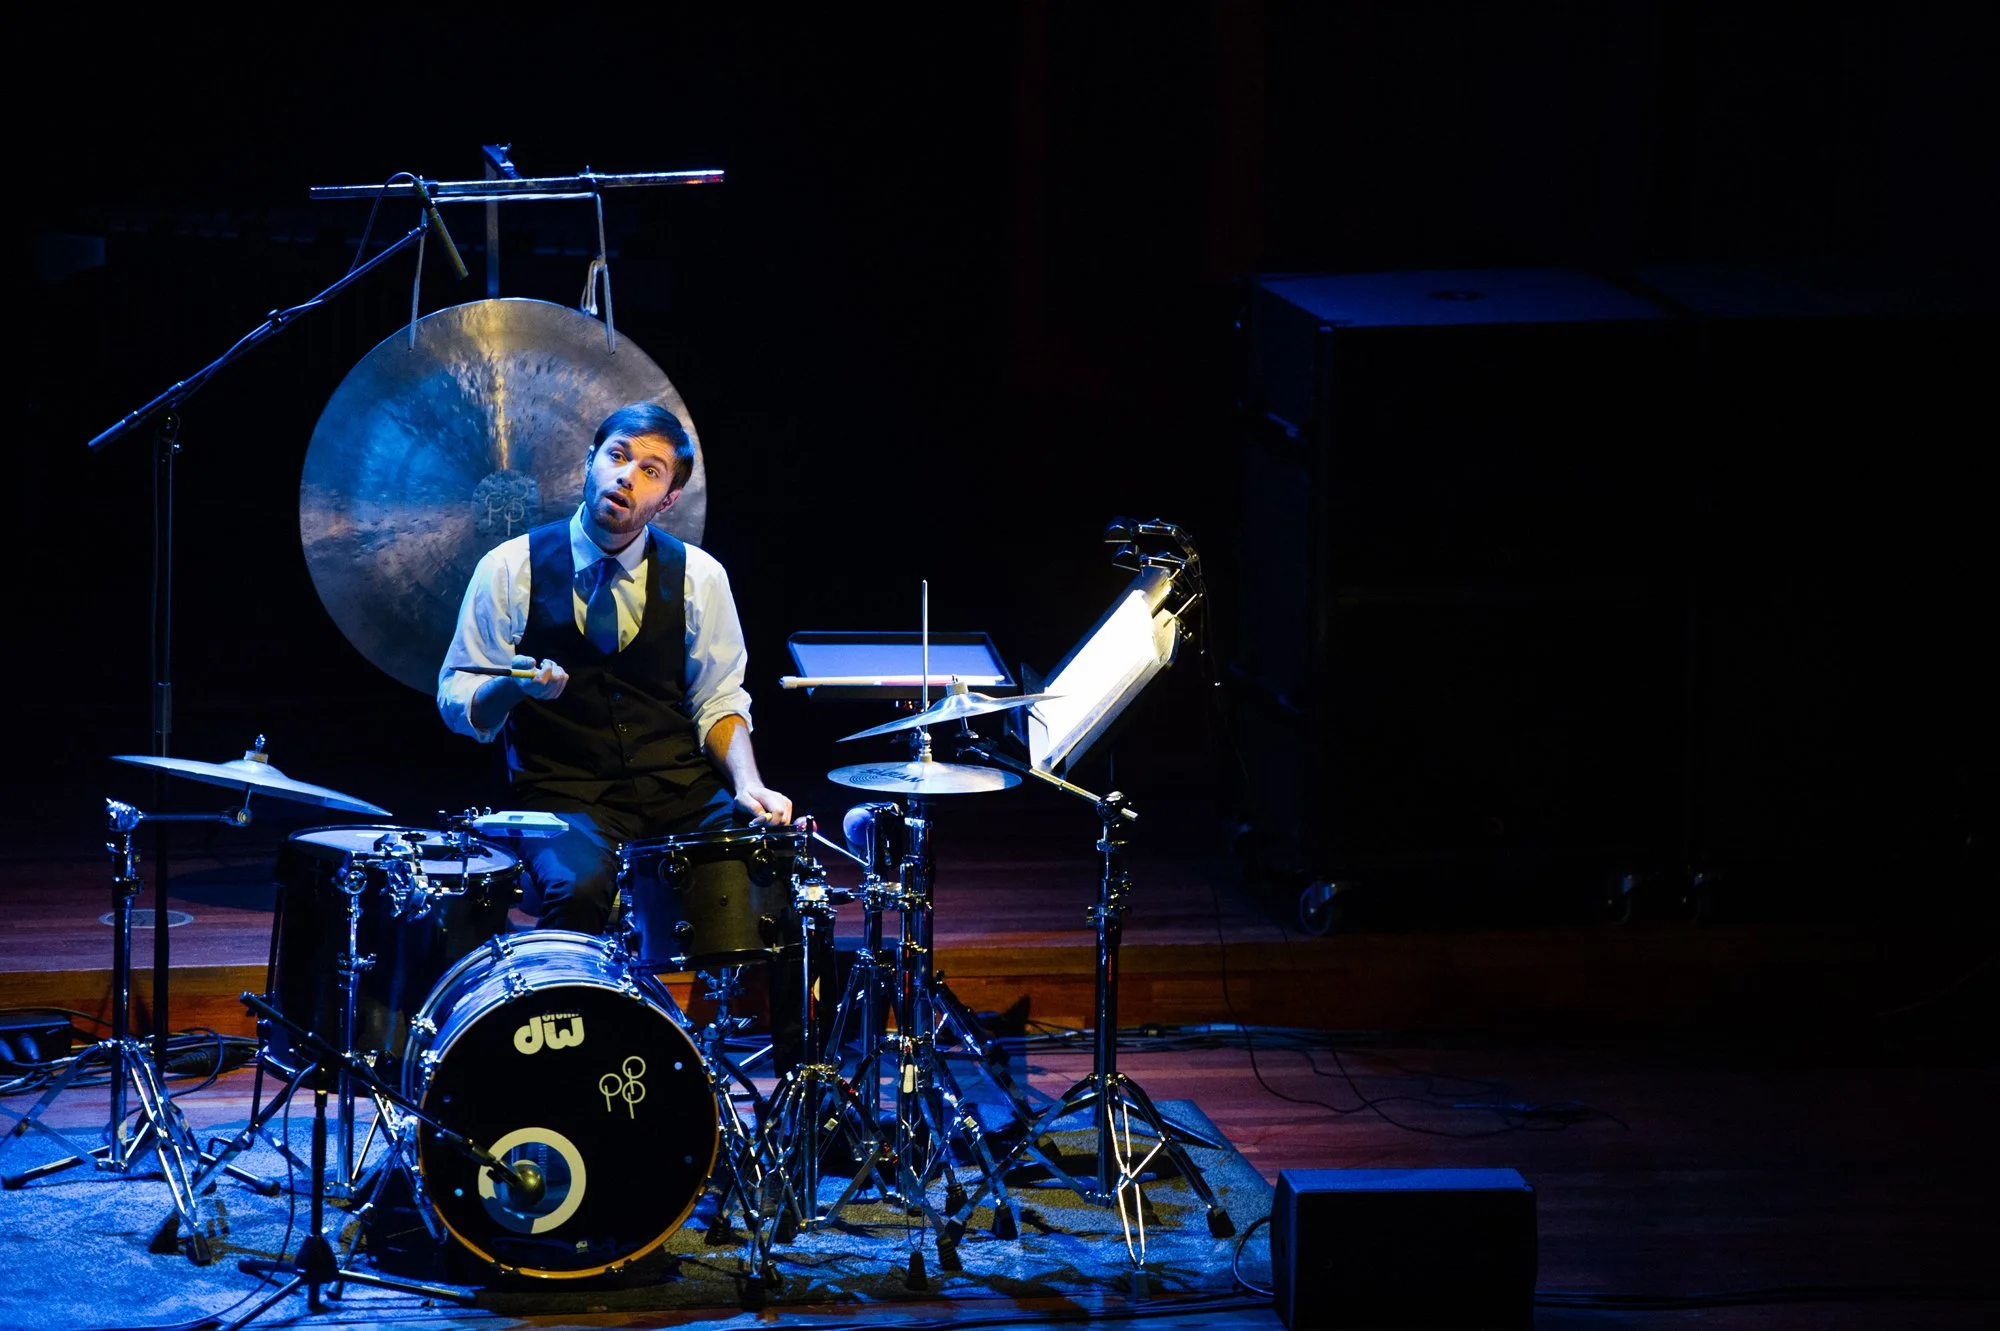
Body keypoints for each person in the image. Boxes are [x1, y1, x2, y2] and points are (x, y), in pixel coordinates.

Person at [437, 401, 793, 937]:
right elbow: (459, 700)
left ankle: (786, 1024)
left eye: (650, 471)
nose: (627, 476)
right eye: (618, 456)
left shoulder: (700, 576)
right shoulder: (510, 567)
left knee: (772, 867)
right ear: (589, 461)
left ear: (669, 498)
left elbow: (718, 699)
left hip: (679, 788)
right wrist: (512, 689)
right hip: (564, 794)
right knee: (579, 892)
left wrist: (749, 783)